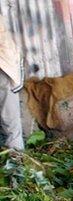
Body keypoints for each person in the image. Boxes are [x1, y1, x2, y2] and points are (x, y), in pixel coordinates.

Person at [0, 14, 24, 151]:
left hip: (4, 69)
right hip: (6, 68)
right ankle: (16, 163)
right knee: (11, 124)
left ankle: (16, 165)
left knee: (10, 124)